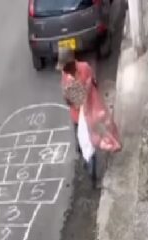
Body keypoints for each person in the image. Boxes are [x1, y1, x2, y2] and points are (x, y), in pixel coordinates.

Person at [57, 47, 98, 186]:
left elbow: (94, 86)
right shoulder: (65, 76)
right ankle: (85, 160)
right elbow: (67, 98)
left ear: (71, 64)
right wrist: (69, 97)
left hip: (88, 114)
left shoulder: (85, 68)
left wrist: (85, 89)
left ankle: (93, 174)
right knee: (81, 143)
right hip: (76, 117)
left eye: (66, 67)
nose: (65, 70)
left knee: (90, 143)